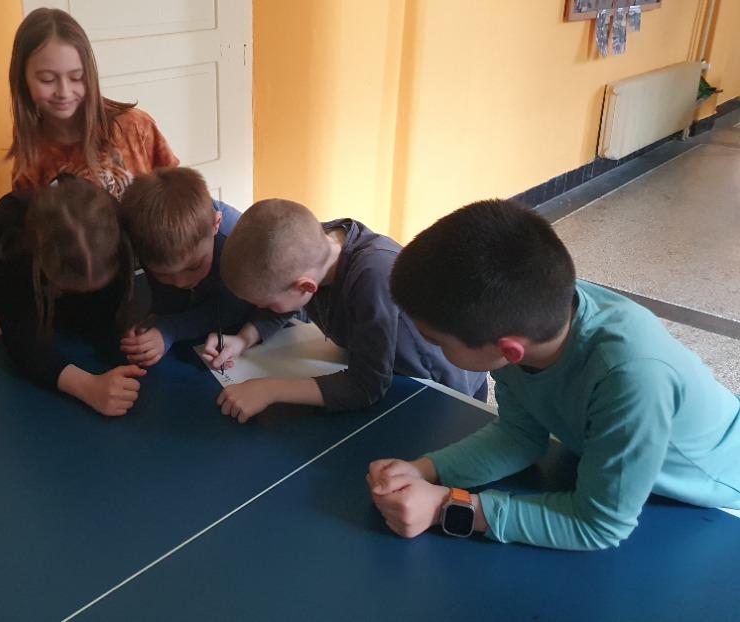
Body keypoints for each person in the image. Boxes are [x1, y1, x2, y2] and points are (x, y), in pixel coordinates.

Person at [368, 199, 740, 550]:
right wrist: (426, 470)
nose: (429, 346)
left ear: (508, 350)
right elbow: (519, 437)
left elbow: (599, 524)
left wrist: (448, 506)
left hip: (722, 493)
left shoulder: (633, 376)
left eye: (435, 340)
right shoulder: (524, 319)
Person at [0, 7, 178, 346]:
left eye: (76, 76)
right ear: (23, 80)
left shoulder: (135, 127)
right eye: (47, 79)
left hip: (149, 288)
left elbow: (176, 197)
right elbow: (41, 253)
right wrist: (7, 317)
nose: (64, 91)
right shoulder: (32, 157)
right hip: (85, 301)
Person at [216, 199, 484, 423]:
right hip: (392, 372)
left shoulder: (374, 275)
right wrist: (244, 338)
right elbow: (286, 297)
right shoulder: (312, 249)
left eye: (267, 305)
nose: (262, 310)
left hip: (442, 388)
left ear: (306, 286)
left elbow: (366, 385)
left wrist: (270, 388)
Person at [0, 175, 145, 416]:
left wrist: (132, 325)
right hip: (17, 299)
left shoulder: (114, 221)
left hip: (61, 319)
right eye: (75, 288)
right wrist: (87, 386)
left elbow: (118, 305)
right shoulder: (8, 229)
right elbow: (24, 344)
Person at [117, 167, 281, 368]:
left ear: (216, 224)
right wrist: (154, 323)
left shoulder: (238, 246)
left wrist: (171, 328)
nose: (180, 283)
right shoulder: (150, 240)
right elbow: (167, 298)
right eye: (162, 274)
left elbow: (232, 310)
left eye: (194, 267)